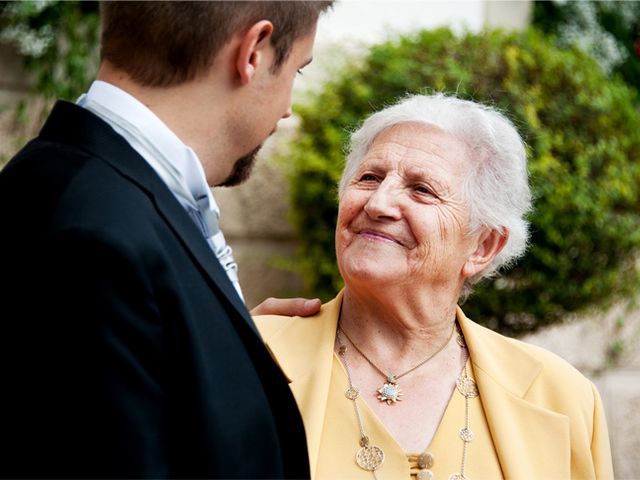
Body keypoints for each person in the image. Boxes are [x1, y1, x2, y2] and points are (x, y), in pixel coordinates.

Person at [0, 2, 333, 478]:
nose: (288, 107)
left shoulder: (80, 186)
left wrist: (218, 343)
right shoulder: (94, 242)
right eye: (297, 70)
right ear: (254, 51)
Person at [255, 93, 614, 479]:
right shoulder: (251, 355)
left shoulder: (562, 397)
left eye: (421, 189)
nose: (378, 204)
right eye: (369, 178)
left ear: (483, 246)